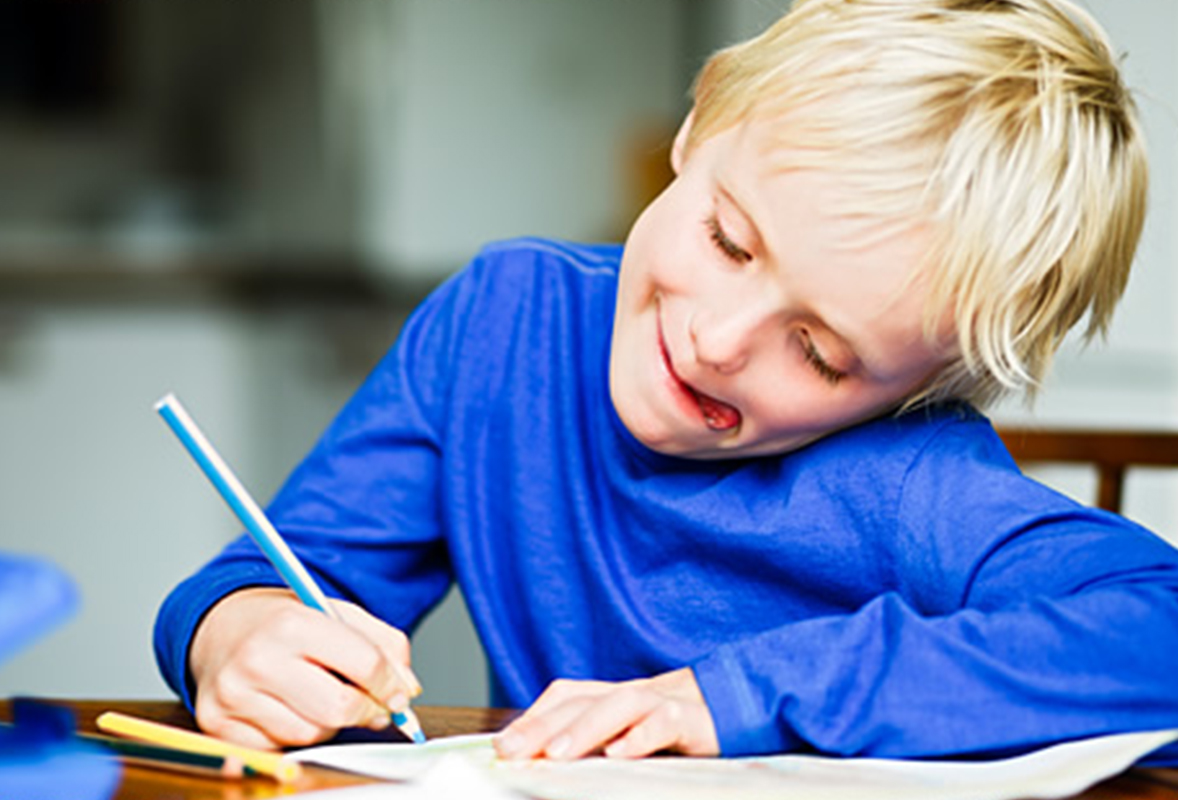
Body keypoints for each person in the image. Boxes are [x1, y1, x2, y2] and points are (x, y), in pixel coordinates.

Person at [155, 0, 1178, 764]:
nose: (718, 340)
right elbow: (292, 569)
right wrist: (232, 634)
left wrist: (733, 697)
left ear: (923, 384)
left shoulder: (906, 473)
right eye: (729, 240)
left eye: (821, 352)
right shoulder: (503, 321)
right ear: (695, 130)